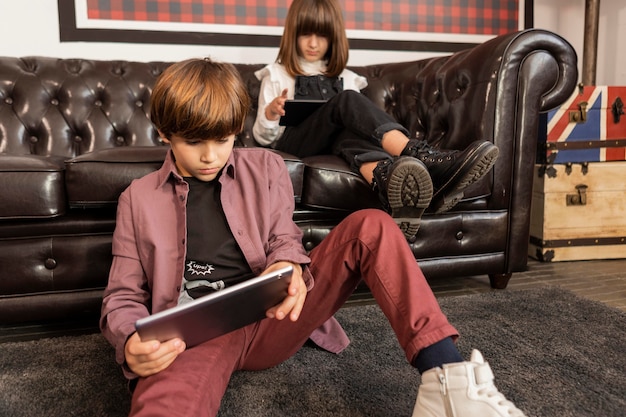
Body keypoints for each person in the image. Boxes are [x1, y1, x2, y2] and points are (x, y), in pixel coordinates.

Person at [100, 57, 526, 417]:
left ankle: (446, 378)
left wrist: (288, 266)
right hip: (194, 333)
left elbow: (286, 238)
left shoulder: (265, 167)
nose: (211, 155)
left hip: (273, 318)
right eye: (194, 143)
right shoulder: (137, 200)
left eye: (224, 139)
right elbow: (120, 298)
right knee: (167, 401)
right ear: (163, 133)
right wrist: (129, 342)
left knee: (371, 226)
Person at [253, 0, 499, 242]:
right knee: (346, 100)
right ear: (293, 34)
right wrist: (271, 114)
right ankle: (423, 156)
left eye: (322, 35)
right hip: (296, 143)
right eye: (306, 34)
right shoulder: (277, 74)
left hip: (336, 145)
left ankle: (392, 187)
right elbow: (262, 138)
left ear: (334, 37)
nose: (314, 43)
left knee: (349, 136)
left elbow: (359, 123)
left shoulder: (346, 77)